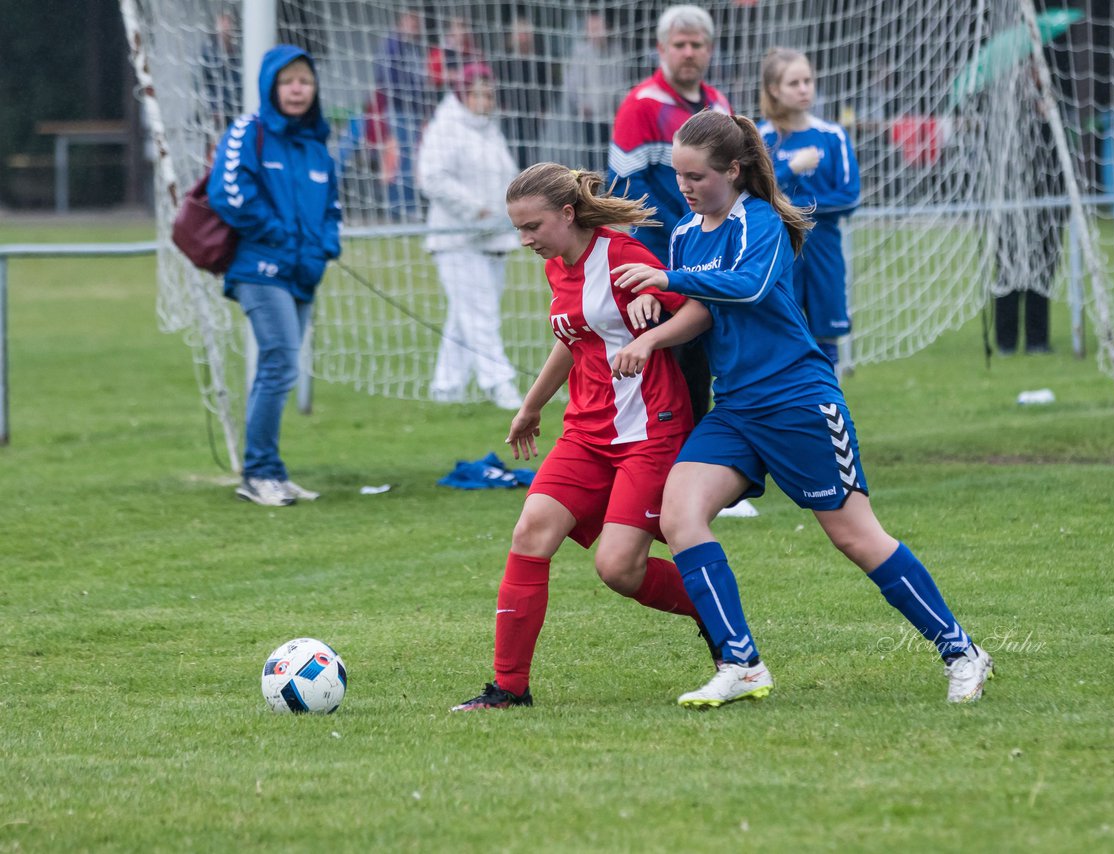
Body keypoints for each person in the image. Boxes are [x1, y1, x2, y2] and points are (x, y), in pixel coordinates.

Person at [612, 111, 993, 708]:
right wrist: (651, 332)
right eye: (678, 175)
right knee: (679, 518)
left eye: (697, 176)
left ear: (733, 170)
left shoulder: (758, 221)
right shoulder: (687, 232)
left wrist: (664, 277)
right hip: (736, 410)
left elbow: (752, 286)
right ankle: (741, 663)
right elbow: (706, 308)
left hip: (798, 401)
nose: (685, 187)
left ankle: (961, 650)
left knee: (857, 539)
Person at [451, 163, 714, 711]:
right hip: (586, 433)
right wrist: (530, 406)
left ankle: (717, 616)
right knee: (531, 532)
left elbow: (698, 311)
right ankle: (508, 689)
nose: (525, 240)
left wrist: (651, 338)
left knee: (618, 569)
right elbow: (574, 338)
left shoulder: (623, 256)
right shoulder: (558, 265)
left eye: (533, 227)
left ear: (567, 214)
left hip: (649, 431)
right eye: (518, 228)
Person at [208, 45, 341, 507]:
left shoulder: (317, 148)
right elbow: (228, 193)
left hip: (303, 274)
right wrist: (279, 236)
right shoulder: (250, 131)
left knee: (283, 366)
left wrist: (327, 245)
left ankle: (272, 471)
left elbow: (331, 210)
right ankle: (258, 472)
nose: (298, 89)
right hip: (260, 271)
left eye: (304, 80)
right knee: (280, 363)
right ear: (271, 87)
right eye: (288, 81)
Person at [608, 4, 730, 425]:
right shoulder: (640, 105)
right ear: (662, 48)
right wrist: (687, 228)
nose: (689, 52)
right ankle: (668, 479)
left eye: (697, 44)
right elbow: (624, 187)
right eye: (680, 44)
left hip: (711, 262)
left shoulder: (717, 103)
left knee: (710, 373)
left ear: (710, 50)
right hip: (657, 265)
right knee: (670, 380)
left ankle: (709, 479)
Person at [415, 64, 523, 409]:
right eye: (478, 93)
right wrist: (474, 210)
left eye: (489, 94)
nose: (485, 101)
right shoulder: (445, 127)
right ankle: (499, 383)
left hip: (493, 236)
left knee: (465, 316)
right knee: (480, 314)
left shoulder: (489, 130)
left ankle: (446, 388)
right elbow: (431, 178)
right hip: (457, 238)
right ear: (463, 94)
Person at [757, 48, 860, 368]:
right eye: (794, 83)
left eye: (808, 81)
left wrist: (790, 205)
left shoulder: (832, 136)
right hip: (778, 253)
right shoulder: (759, 137)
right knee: (780, 339)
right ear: (774, 89)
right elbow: (758, 197)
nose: (804, 89)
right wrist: (790, 170)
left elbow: (849, 197)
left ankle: (830, 412)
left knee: (825, 342)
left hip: (823, 252)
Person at [992, 62, 1066, 356]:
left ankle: (1038, 340)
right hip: (1011, 202)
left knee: (1042, 270)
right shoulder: (1003, 104)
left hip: (1046, 202)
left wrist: (1048, 116)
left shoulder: (1054, 104)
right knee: (1009, 271)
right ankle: (1006, 341)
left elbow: (1063, 157)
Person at [370, 11, 432, 220]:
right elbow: (385, 76)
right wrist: (407, 93)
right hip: (399, 110)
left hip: (414, 111)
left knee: (410, 159)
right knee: (400, 159)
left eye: (418, 23)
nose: (415, 27)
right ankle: (398, 209)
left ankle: (407, 206)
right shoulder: (392, 45)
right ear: (403, 21)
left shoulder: (413, 47)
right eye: (412, 21)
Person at [562, 11, 629, 174]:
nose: (594, 32)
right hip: (588, 117)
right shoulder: (580, 52)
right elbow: (572, 83)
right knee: (590, 161)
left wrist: (619, 108)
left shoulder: (616, 51)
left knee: (612, 157)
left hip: (611, 117)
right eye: (591, 28)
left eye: (598, 27)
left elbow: (621, 81)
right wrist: (581, 104)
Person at [493, 13, 558, 170]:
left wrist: (544, 107)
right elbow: (498, 85)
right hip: (511, 113)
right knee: (509, 148)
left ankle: (528, 178)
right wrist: (502, 105)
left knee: (532, 149)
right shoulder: (505, 60)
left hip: (533, 112)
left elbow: (547, 86)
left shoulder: (539, 60)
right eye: (519, 33)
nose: (522, 37)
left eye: (525, 33)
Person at [200, 10, 241, 132]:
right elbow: (204, 82)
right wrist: (213, 107)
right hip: (217, 111)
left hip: (237, 108)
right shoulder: (209, 51)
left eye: (228, 22)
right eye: (222, 22)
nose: (226, 27)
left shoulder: (239, 50)